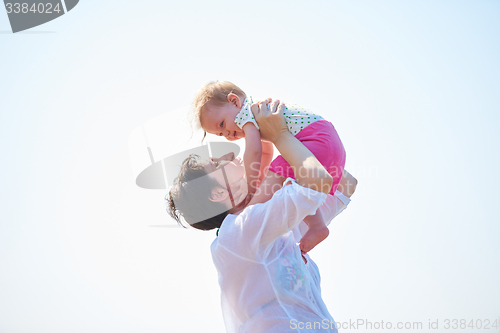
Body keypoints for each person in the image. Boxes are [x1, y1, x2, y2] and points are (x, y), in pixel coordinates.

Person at [167, 99, 357, 332]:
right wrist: (281, 136)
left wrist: (295, 137)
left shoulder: (271, 226)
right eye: (217, 165)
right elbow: (319, 181)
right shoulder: (237, 234)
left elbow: (344, 184)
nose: (228, 153)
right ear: (218, 193)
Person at [191, 81, 346, 254]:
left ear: (234, 101)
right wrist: (260, 182)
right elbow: (266, 152)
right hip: (327, 142)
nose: (227, 134)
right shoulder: (257, 113)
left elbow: (254, 152)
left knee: (278, 171)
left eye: (222, 124)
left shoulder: (247, 114)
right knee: (289, 181)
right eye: (220, 134)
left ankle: (250, 215)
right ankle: (317, 226)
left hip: (315, 141)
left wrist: (251, 189)